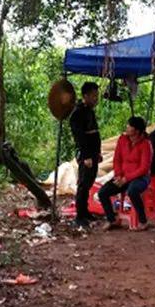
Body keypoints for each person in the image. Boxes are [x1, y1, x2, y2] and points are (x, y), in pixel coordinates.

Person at [99, 116, 153, 231]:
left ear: (137, 131)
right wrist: (119, 176)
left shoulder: (146, 144)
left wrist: (126, 178)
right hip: (123, 176)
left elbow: (144, 168)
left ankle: (143, 221)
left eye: (129, 126)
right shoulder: (122, 140)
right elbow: (117, 160)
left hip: (141, 177)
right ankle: (112, 219)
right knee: (103, 192)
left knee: (133, 191)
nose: (127, 127)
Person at [68, 81, 101, 228]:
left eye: (97, 96)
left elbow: (94, 133)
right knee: (83, 183)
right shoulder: (78, 112)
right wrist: (87, 155)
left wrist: (97, 152)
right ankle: (80, 215)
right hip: (86, 153)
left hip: (93, 152)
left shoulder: (89, 110)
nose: (96, 99)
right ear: (85, 96)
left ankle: (85, 211)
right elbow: (80, 136)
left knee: (89, 183)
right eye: (94, 96)